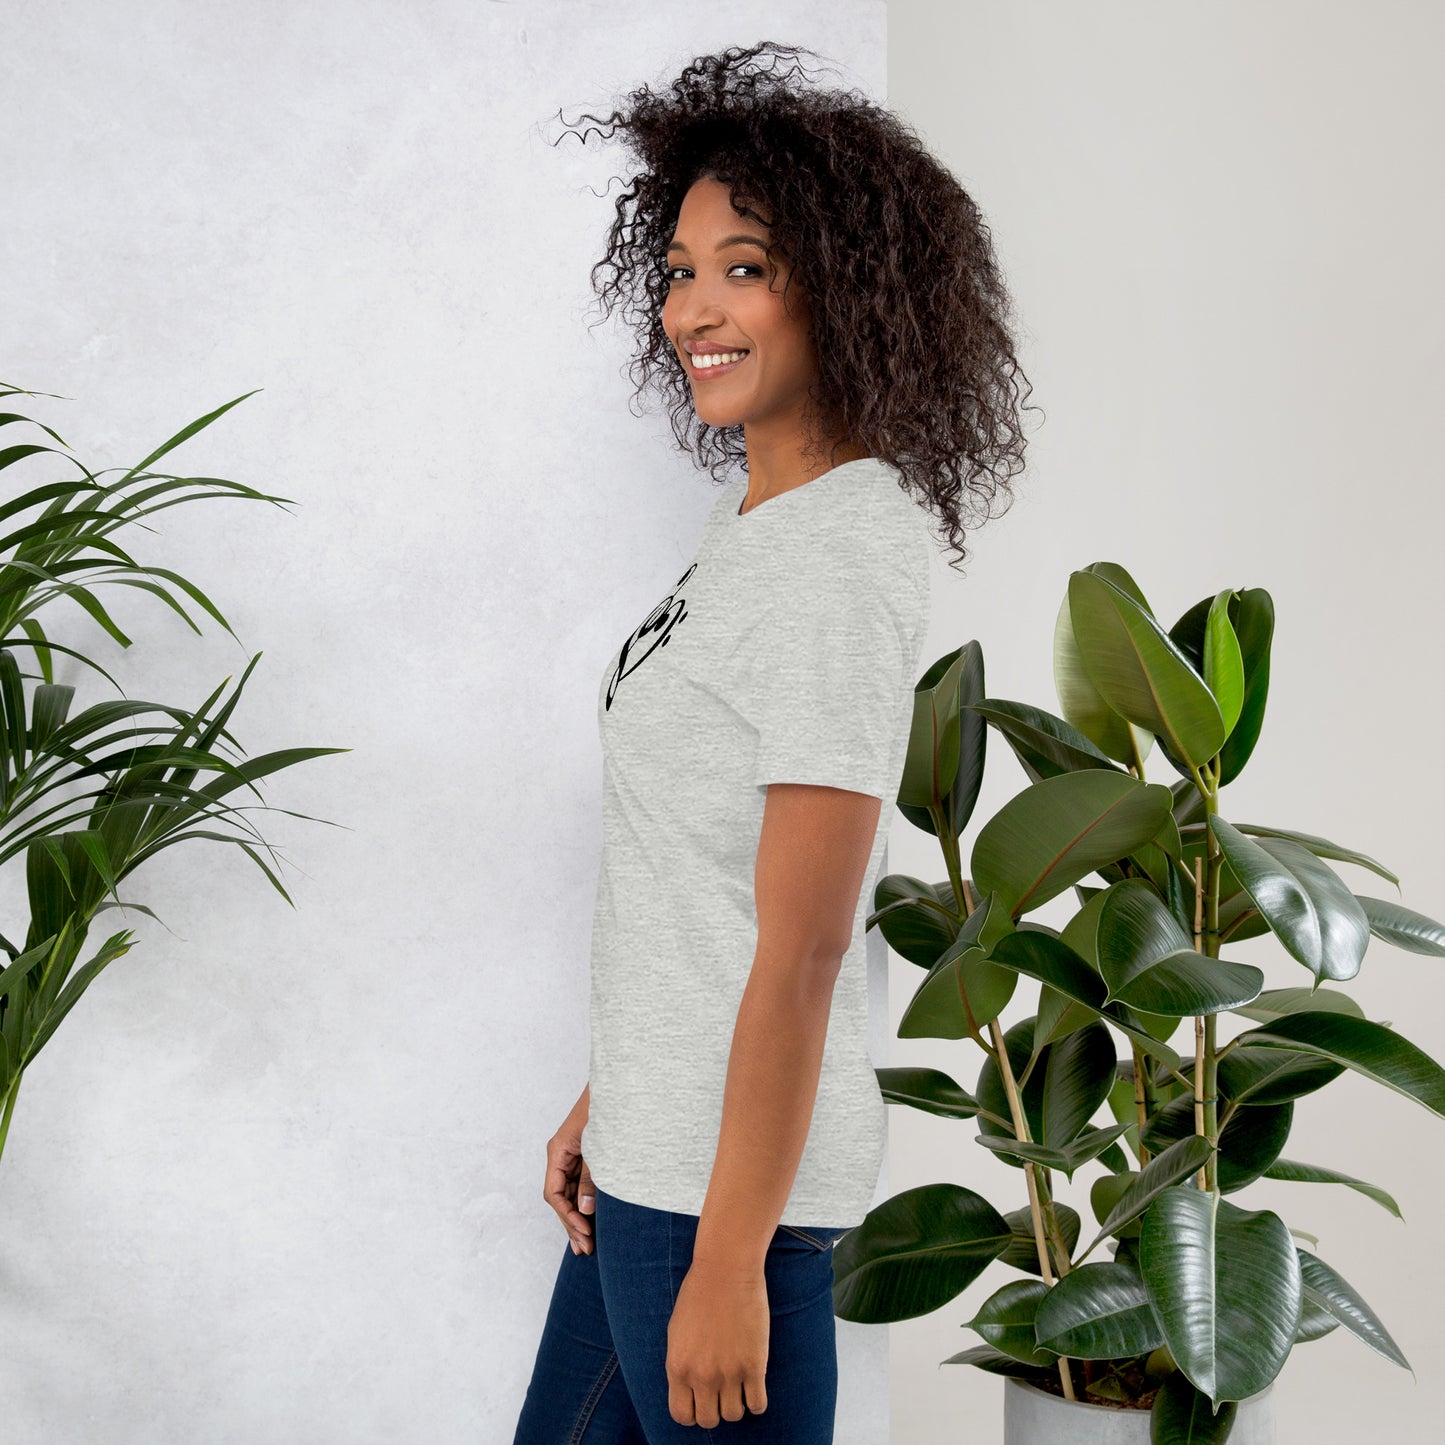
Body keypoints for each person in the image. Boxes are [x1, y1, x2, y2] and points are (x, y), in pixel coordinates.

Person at [513, 40, 1033, 1444]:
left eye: (743, 268)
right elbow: (696, 874)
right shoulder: (753, 527)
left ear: (848, 289)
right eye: (679, 269)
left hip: (723, 1211)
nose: (694, 306)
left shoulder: (839, 555)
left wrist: (731, 1261)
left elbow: (805, 947)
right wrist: (615, 1095)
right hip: (652, 1168)